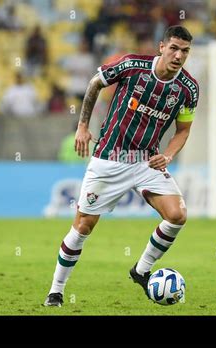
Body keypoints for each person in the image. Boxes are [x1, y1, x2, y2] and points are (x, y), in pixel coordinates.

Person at [43, 25, 199, 307]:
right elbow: (95, 83)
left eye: (185, 51)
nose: (178, 55)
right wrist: (82, 126)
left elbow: (183, 131)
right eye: (174, 48)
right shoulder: (131, 66)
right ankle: (56, 290)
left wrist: (170, 155)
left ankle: (140, 271)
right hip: (110, 158)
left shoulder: (188, 89)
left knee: (177, 215)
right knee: (83, 227)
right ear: (161, 47)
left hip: (146, 161)